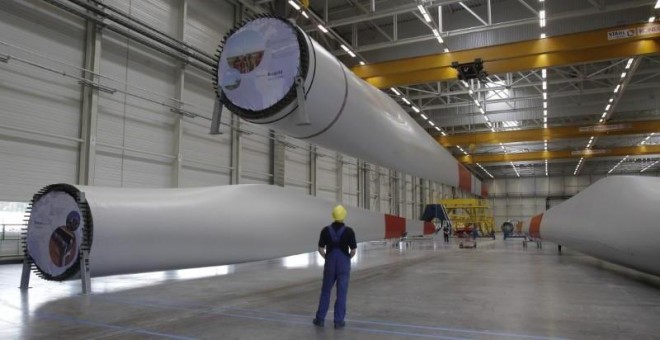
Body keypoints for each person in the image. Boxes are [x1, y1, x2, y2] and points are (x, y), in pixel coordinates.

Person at [313, 205, 357, 329]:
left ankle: (320, 319)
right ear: (344, 216)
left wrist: (326, 257)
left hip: (330, 264)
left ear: (333, 215)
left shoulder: (325, 230)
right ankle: (338, 322)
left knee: (326, 292)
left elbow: (320, 248)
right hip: (343, 265)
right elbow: (353, 250)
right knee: (341, 294)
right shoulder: (349, 231)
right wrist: (348, 258)